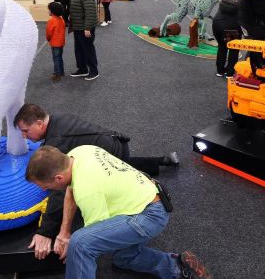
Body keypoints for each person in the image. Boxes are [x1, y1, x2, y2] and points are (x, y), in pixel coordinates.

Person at [14, 103, 179, 262]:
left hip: (112, 151)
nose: (24, 136)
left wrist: (46, 232)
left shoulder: (57, 142)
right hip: (113, 141)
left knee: (89, 226)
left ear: (40, 123)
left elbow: (61, 192)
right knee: (126, 167)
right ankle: (161, 161)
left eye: (25, 131)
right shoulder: (58, 118)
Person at [25, 145, 210, 279]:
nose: (44, 190)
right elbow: (70, 191)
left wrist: (71, 247)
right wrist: (64, 232)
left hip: (149, 216)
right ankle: (178, 268)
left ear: (58, 177)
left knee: (80, 243)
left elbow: (90, 243)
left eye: (46, 186)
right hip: (151, 198)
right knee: (124, 257)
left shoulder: (88, 191)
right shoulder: (78, 153)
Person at [66, 0, 100, 80]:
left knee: (88, 49)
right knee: (79, 49)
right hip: (77, 26)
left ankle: (94, 71)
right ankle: (82, 69)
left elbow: (90, 11)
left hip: (85, 27)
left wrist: (87, 28)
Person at [212, 4, 243, 77]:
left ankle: (220, 71)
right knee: (234, 49)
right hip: (231, 26)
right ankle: (230, 72)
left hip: (217, 23)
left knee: (222, 47)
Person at [46, 2, 67, 81]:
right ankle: (61, 72)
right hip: (61, 42)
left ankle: (57, 74)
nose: (48, 11)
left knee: (56, 58)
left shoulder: (51, 21)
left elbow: (49, 33)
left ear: (52, 11)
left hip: (55, 43)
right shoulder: (61, 19)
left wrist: (48, 39)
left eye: (49, 10)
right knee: (59, 57)